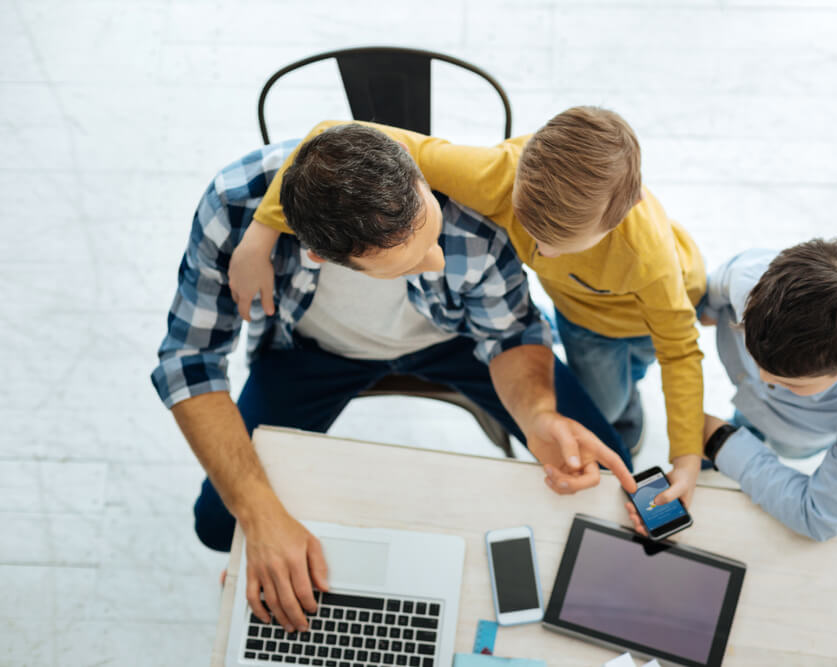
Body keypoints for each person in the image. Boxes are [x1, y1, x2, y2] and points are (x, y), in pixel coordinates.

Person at [151, 124, 636, 636]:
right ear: (318, 253)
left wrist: (538, 413)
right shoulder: (233, 207)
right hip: (311, 352)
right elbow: (190, 361)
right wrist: (260, 516)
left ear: (409, 163)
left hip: (458, 339)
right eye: (411, 262)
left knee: (606, 475)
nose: (440, 259)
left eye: (430, 231)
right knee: (220, 523)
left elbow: (512, 330)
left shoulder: (476, 197)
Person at [232, 107, 707, 508]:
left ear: (623, 215)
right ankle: (623, 409)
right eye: (529, 228)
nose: (539, 251)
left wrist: (686, 459)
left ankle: (630, 411)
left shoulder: (651, 261)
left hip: (644, 318)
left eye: (559, 244)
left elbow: (681, 352)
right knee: (600, 395)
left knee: (622, 390)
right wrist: (261, 232)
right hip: (574, 317)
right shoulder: (496, 173)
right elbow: (331, 139)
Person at [627, 239, 837, 541]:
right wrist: (707, 312)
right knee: (745, 424)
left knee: (785, 445)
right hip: (755, 417)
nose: (762, 378)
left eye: (792, 384)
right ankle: (746, 430)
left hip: (797, 433)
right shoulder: (747, 275)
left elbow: (820, 517)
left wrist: (720, 440)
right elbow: (716, 292)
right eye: (752, 355)